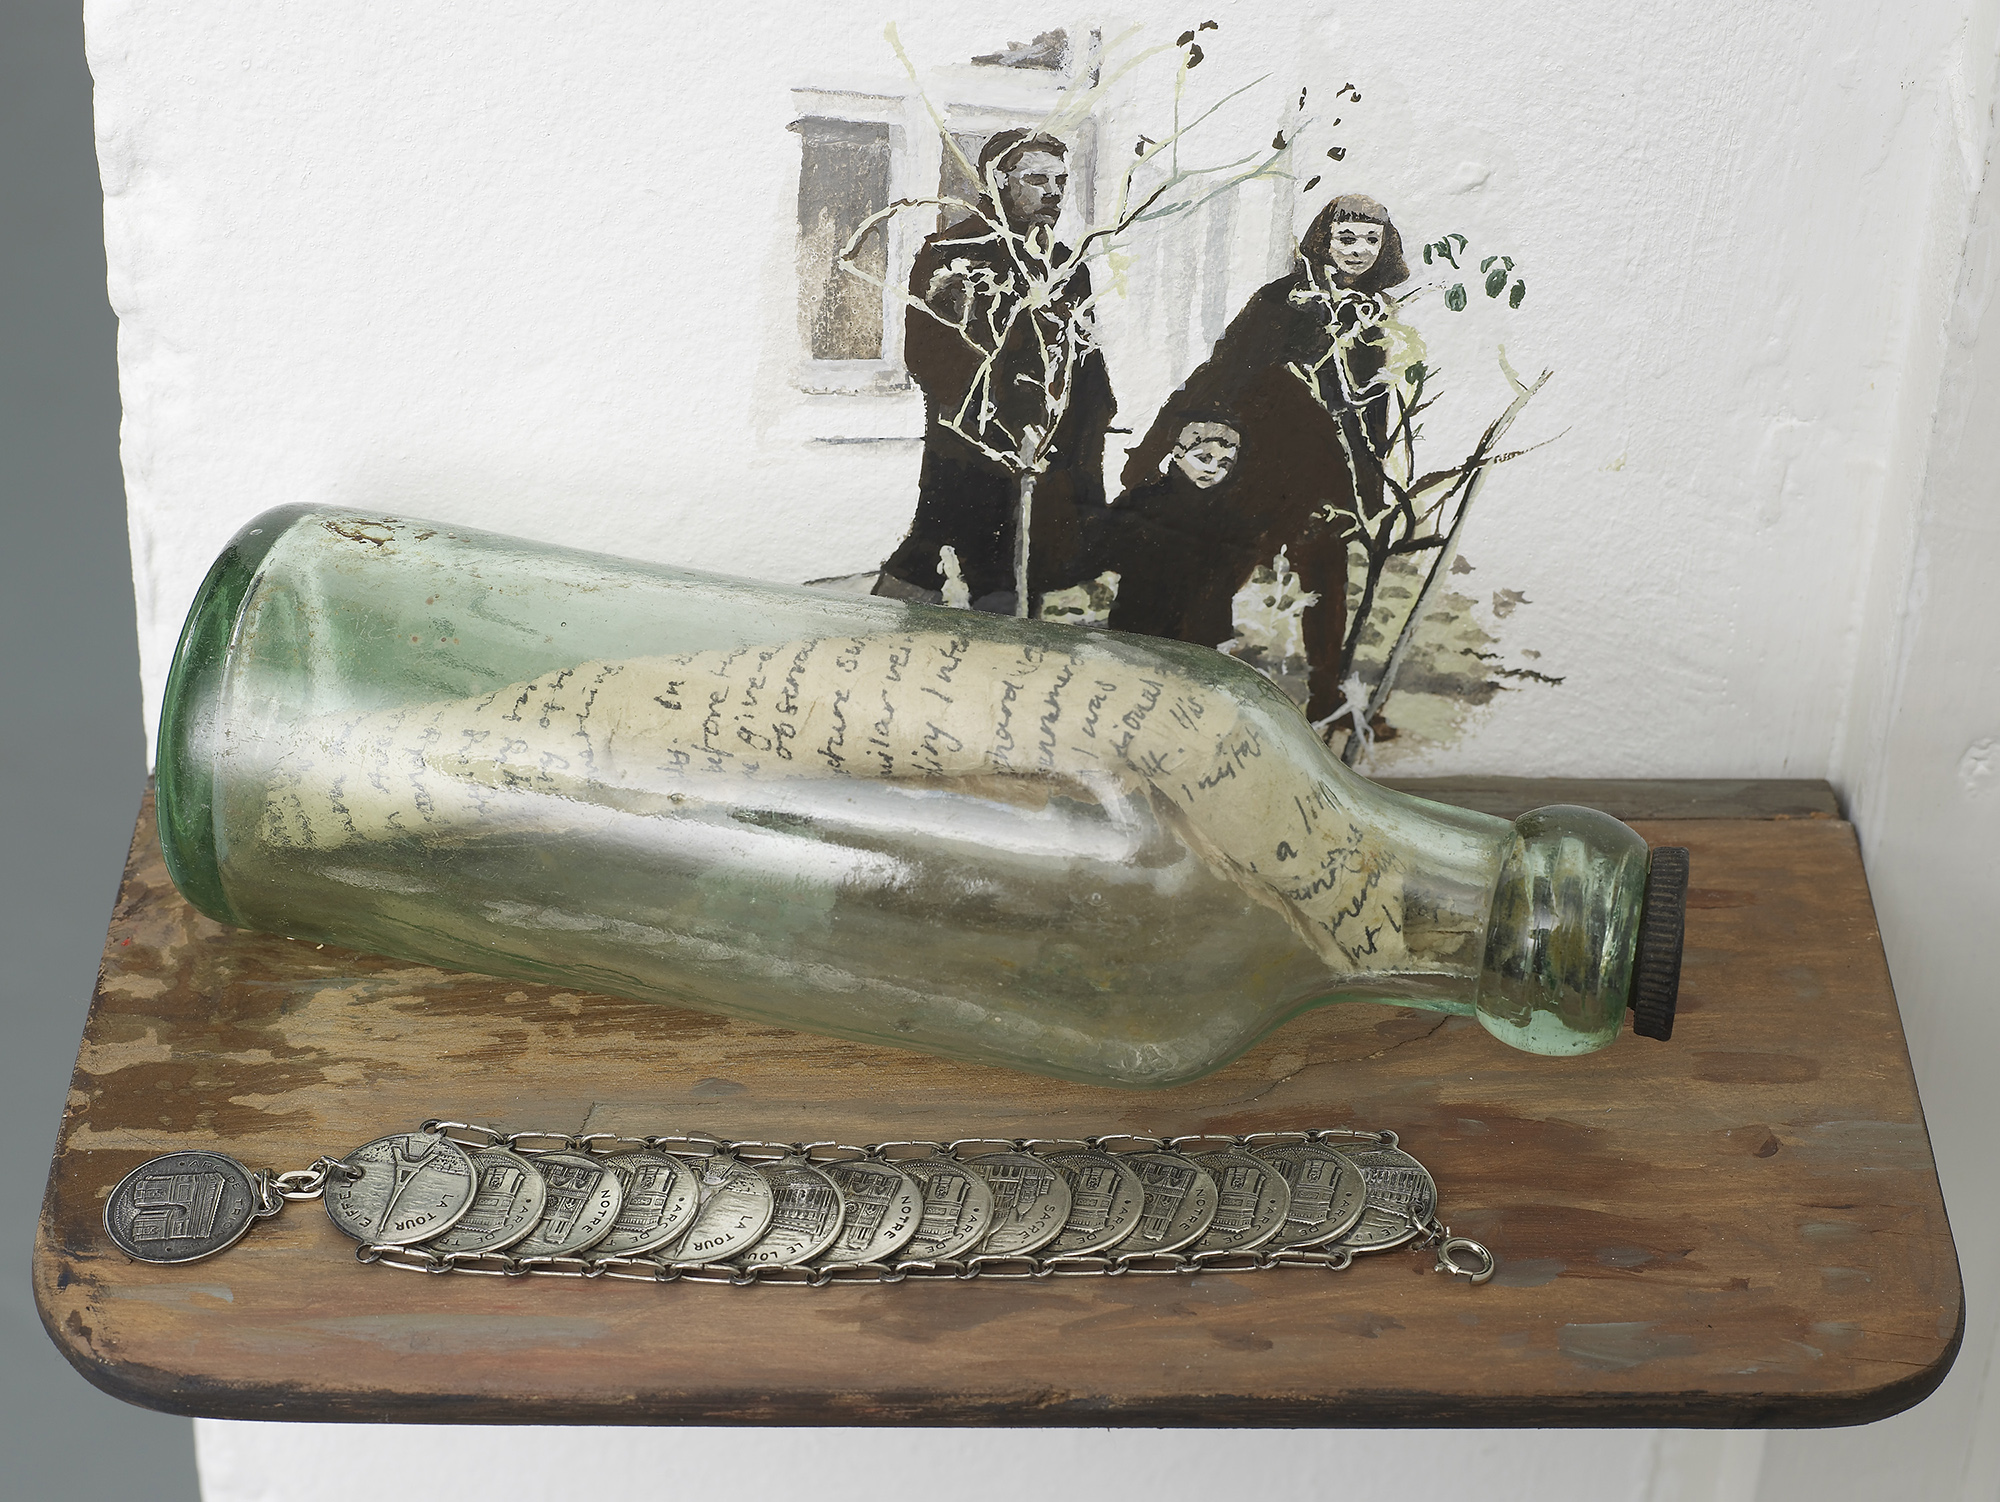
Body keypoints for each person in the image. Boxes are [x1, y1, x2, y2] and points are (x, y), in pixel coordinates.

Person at [1117, 194, 1411, 721]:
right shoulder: (1281, 301)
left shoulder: (1373, 315)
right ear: (1324, 240)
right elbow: (1220, 371)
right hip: (1261, 467)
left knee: (1327, 579)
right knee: (1222, 568)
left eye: (1373, 240)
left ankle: (1328, 696)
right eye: (1347, 238)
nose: (1360, 250)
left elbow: (1373, 404)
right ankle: (1188, 680)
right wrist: (1155, 447)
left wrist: (1369, 481)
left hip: (1328, 475)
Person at [876, 129, 1117, 614]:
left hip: (1049, 448)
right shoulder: (952, 255)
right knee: (938, 547)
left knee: (1027, 563)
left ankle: (1008, 658)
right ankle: (872, 635)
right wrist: (1004, 410)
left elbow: (1082, 355)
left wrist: (1085, 420)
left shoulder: (1067, 266)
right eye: (1036, 178)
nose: (1053, 191)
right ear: (997, 181)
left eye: (1060, 180)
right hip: (972, 440)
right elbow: (929, 355)